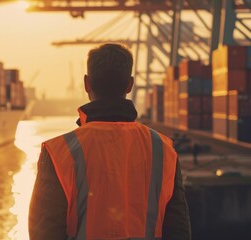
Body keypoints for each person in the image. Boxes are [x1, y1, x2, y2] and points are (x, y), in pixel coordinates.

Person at [29, 43, 191, 240]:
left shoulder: (58, 152)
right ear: (130, 85)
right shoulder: (163, 150)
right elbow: (179, 231)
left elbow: (44, 233)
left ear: (87, 84)